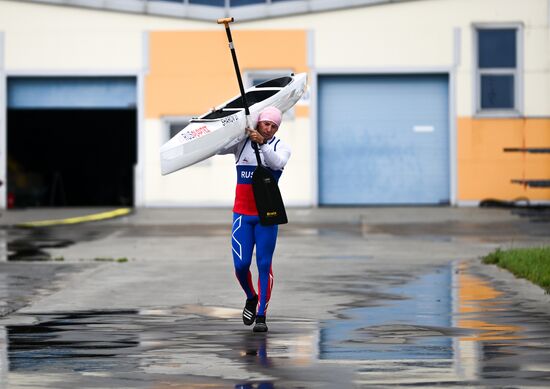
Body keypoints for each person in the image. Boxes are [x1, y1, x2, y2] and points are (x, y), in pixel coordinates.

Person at [219, 106, 291, 333]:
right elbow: (218, 148)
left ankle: (261, 315)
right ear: (258, 122)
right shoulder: (241, 144)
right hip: (242, 215)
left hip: (267, 217)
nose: (268, 129)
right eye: (265, 123)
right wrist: (222, 121)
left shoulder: (281, 147)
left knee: (263, 264)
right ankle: (251, 297)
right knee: (241, 265)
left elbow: (277, 163)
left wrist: (262, 143)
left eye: (273, 126)